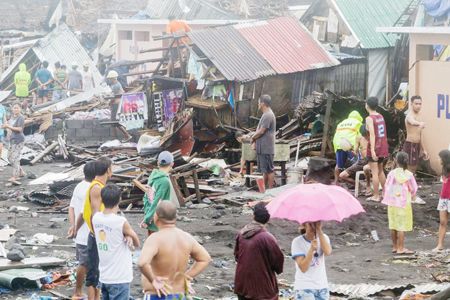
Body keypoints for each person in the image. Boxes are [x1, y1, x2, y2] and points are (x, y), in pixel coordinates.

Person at [138, 201, 211, 299]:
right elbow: (205, 259)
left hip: (158, 294)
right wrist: (186, 277)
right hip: (179, 295)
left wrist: (153, 280)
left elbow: (142, 263)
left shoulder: (155, 239)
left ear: (156, 216)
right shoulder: (186, 237)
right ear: (175, 217)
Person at [93, 184, 140, 299]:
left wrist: (126, 235)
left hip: (104, 276)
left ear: (102, 200)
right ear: (119, 199)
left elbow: (113, 235)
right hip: (119, 277)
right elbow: (137, 243)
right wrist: (128, 235)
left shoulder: (96, 218)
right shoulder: (120, 221)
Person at [76, 157, 112, 300]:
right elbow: (95, 215)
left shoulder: (97, 186)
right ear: (108, 170)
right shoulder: (96, 188)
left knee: (98, 273)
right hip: (96, 236)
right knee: (93, 275)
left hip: (98, 235)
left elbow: (83, 213)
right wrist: (100, 236)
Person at [234, 203, 284, 300]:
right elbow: (278, 262)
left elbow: (237, 256)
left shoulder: (241, 233)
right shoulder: (267, 238)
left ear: (253, 216)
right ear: (268, 219)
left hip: (242, 284)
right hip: (262, 287)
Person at [67, 162, 96, 299]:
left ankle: (81, 291)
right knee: (85, 264)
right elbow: (85, 214)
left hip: (80, 234)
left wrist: (73, 226)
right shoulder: (91, 189)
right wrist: (76, 228)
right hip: (86, 234)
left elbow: (71, 208)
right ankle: (78, 291)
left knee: (85, 264)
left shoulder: (79, 186)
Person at [382, 152, 417, 254]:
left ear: (396, 161)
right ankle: (401, 248)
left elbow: (386, 187)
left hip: (392, 202)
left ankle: (395, 246)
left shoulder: (391, 174)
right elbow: (413, 188)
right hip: (403, 203)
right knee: (401, 226)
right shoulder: (409, 175)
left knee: (393, 225)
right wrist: (413, 195)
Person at [141, 151, 179, 235]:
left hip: (151, 215)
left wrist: (147, 215)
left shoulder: (153, 175)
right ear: (172, 164)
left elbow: (146, 197)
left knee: (152, 244)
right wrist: (147, 219)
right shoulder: (164, 181)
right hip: (159, 220)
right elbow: (157, 202)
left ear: (158, 163)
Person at [291, 222, 332, 300]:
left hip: (322, 286)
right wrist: (311, 250)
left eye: (317, 223)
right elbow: (303, 268)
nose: (314, 226)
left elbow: (328, 252)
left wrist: (319, 230)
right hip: (304, 287)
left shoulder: (324, 238)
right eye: (310, 224)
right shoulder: (297, 242)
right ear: (304, 225)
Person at [403, 95, 428, 204]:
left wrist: (424, 149)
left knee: (412, 171)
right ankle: (411, 196)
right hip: (410, 145)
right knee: (410, 171)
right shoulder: (410, 115)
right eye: (416, 103)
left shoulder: (419, 115)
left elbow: (420, 134)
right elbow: (411, 121)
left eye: (420, 103)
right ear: (411, 104)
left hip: (416, 146)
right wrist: (419, 124)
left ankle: (409, 195)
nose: (418, 106)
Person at [365, 97, 389, 202]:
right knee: (380, 171)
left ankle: (376, 196)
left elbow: (372, 135)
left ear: (367, 105)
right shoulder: (381, 116)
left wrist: (373, 150)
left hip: (375, 147)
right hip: (383, 146)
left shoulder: (369, 118)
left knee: (374, 173)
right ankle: (386, 193)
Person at [251, 95, 276, 189]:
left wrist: (252, 138)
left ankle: (270, 191)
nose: (258, 104)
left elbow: (262, 131)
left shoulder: (268, 114)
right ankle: (265, 190)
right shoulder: (265, 114)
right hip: (263, 148)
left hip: (266, 147)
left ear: (262, 103)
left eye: (258, 102)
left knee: (269, 170)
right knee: (265, 170)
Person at [332, 111, 363, 185]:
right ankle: (357, 183)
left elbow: (336, 136)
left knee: (339, 165)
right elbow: (361, 137)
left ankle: (336, 182)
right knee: (357, 163)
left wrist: (336, 147)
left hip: (339, 144)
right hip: (351, 145)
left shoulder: (341, 123)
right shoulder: (358, 123)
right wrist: (360, 148)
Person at [339, 126, 371, 195]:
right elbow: (355, 152)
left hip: (371, 160)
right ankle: (360, 186)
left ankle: (368, 186)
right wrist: (351, 149)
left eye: (366, 134)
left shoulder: (373, 137)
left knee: (366, 168)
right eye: (364, 134)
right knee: (342, 175)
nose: (365, 136)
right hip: (361, 161)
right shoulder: (359, 137)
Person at [2, 103, 25, 185]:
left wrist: (8, 126)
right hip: (12, 140)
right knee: (9, 157)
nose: (15, 109)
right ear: (12, 109)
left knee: (15, 158)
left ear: (20, 109)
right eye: (14, 108)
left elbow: (19, 129)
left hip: (19, 140)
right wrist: (4, 126)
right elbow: (8, 125)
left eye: (17, 108)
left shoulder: (21, 118)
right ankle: (21, 171)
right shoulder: (12, 117)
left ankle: (15, 176)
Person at [434, 149, 450, 251]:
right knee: (442, 222)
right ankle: (440, 245)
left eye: (440, 157)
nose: (438, 159)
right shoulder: (444, 170)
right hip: (443, 198)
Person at [0, 101, 6, 171]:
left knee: (0, 148)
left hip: (1, 131)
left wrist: (5, 126)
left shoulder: (2, 107)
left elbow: (4, 120)